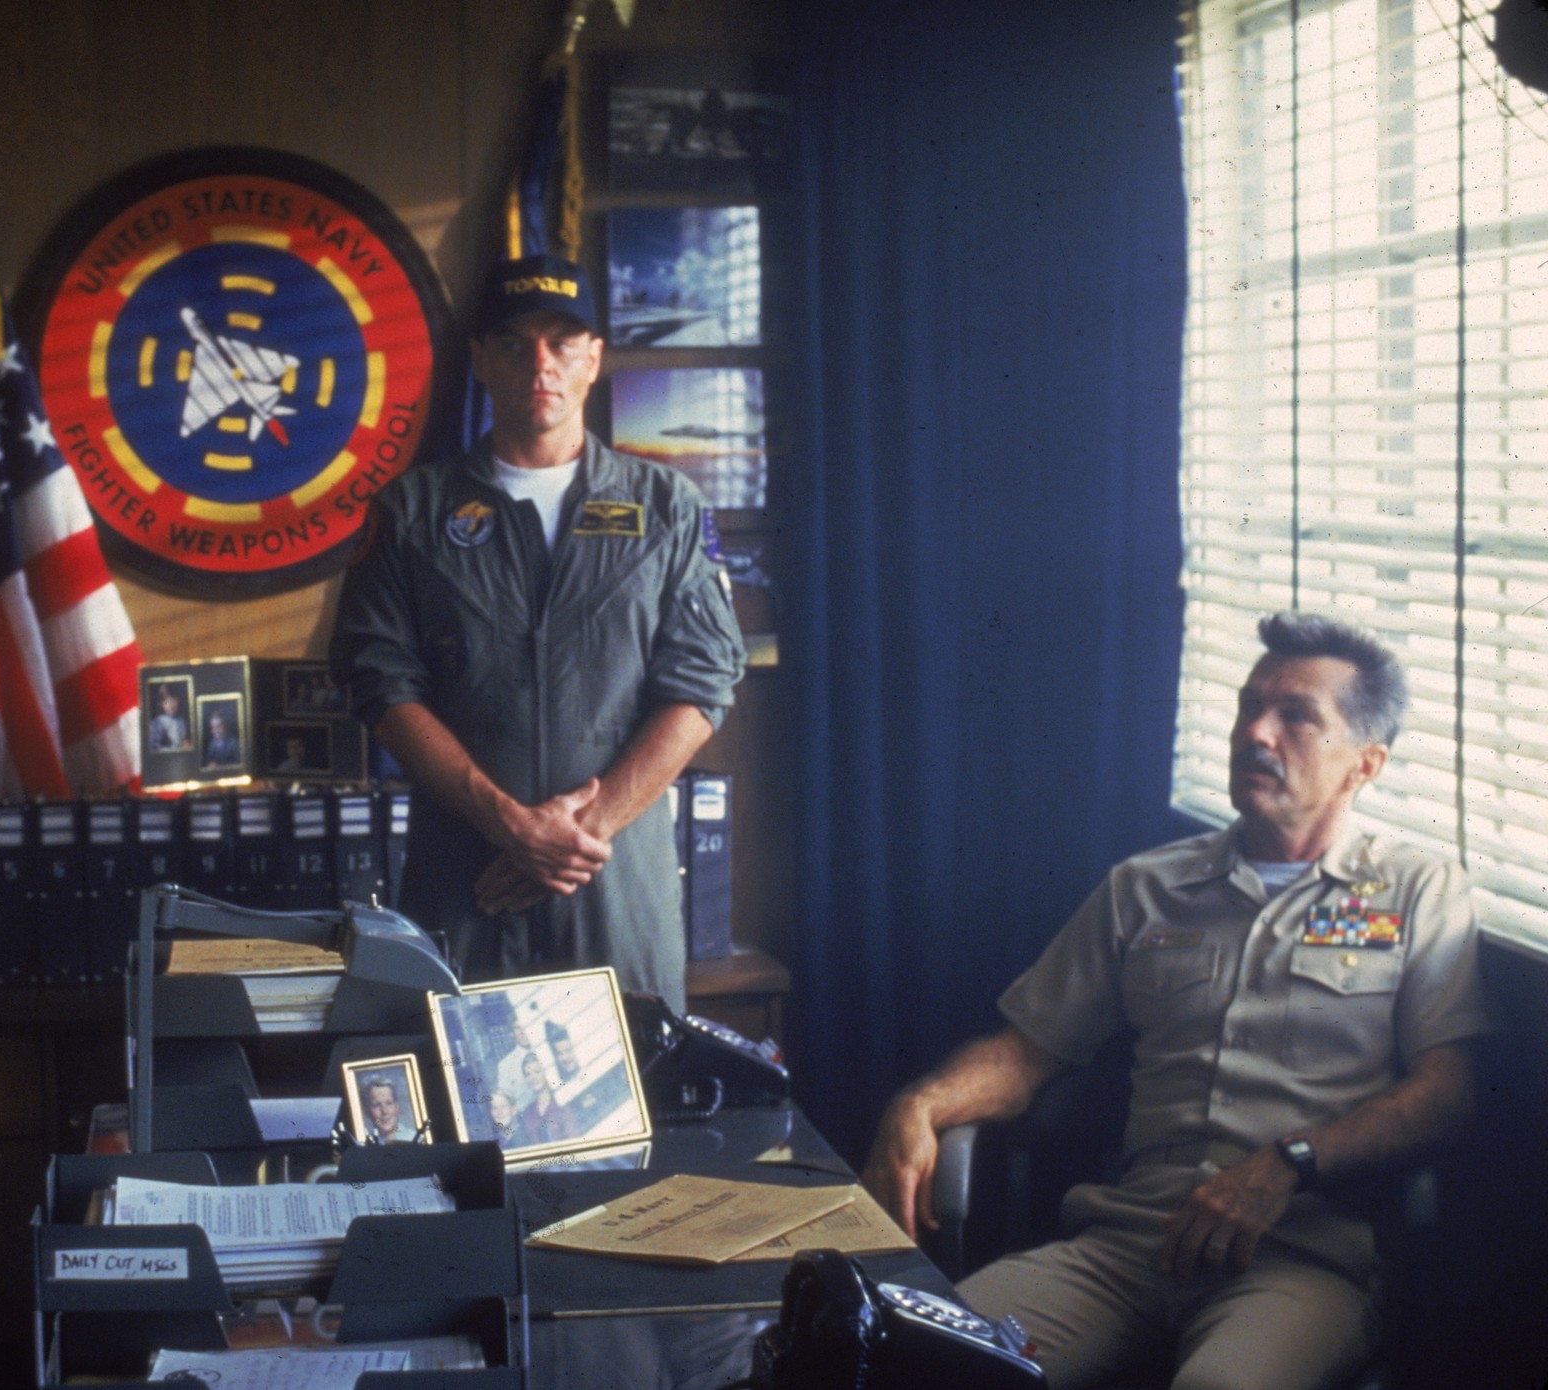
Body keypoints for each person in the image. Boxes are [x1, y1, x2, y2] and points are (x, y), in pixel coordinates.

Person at [860, 613, 1494, 1390]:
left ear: (1365, 764)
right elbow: (1029, 1051)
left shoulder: (1418, 890)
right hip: (1126, 1247)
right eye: (1247, 704)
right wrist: (920, 1105)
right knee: (924, 1362)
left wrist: (1290, 1163)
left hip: (1296, 1260)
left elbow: (1445, 1093)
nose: (1255, 731)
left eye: (1296, 715)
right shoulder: (1148, 886)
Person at [330, 254, 746, 1010]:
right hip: (465, 887)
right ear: (481, 360)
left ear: (594, 360)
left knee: (631, 1110)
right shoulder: (412, 513)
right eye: (515, 343)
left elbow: (704, 684)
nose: (540, 363)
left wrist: (565, 840)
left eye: (562, 342)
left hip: (615, 893)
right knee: (463, 1109)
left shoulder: (667, 508)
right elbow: (378, 681)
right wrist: (507, 823)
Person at [516, 1052, 580, 1148]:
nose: (533, 1078)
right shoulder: (528, 1113)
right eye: (528, 1074)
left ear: (546, 1072)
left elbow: (575, 1141)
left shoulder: (561, 1102)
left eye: (537, 1072)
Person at [361, 1076, 412, 1144]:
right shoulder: (364, 1143)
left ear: (397, 1106)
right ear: (367, 1110)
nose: (384, 1111)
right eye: (377, 1105)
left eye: (389, 1103)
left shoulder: (413, 1138)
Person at [149, 687, 188, 752]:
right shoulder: (158, 721)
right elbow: (154, 747)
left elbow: (182, 741)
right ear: (161, 704)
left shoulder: (181, 720)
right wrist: (176, 748)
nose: (171, 704)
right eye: (166, 701)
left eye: (174, 699)